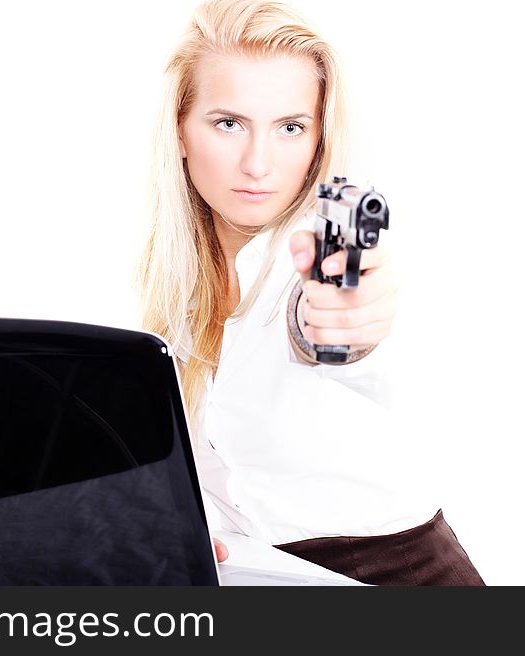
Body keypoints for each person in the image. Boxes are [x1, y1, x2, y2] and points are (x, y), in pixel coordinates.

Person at [135, 0, 483, 585]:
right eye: (228, 123)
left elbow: (348, 326)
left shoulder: (326, 255)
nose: (257, 163)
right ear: (181, 130)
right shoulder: (163, 289)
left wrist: (343, 324)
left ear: (319, 139)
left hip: (402, 578)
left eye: (290, 128)